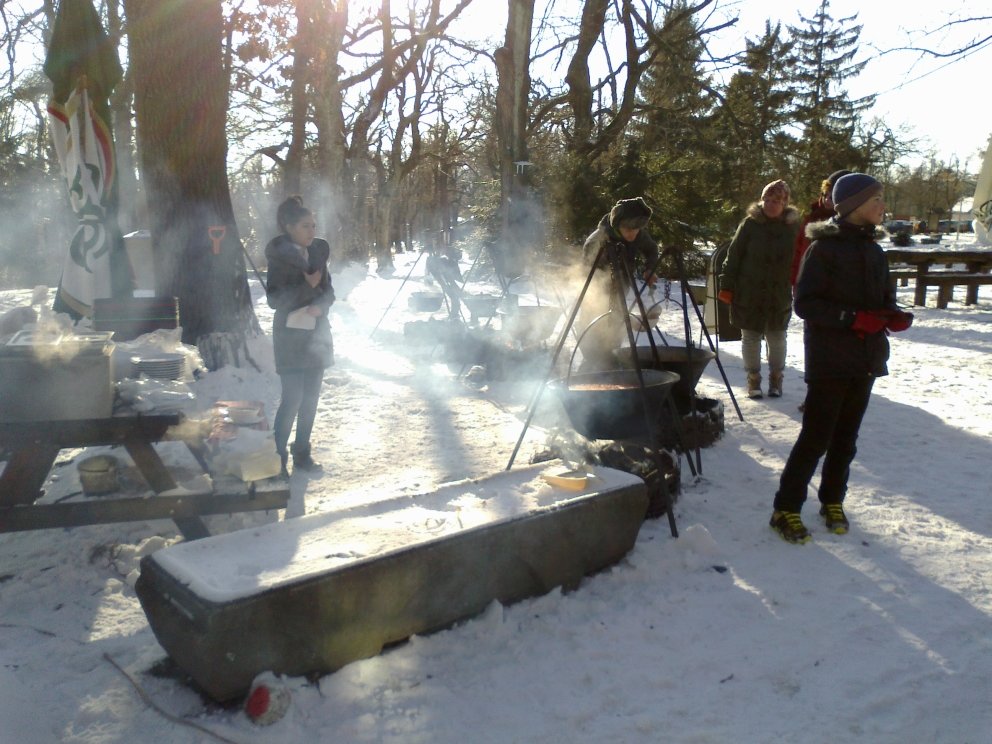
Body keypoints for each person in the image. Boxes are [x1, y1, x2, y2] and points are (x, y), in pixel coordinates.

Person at [769, 173, 914, 543]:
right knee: (816, 436)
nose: (883, 206)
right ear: (853, 206)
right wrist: (851, 319)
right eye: (876, 200)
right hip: (831, 359)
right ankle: (785, 509)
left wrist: (892, 315)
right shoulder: (824, 249)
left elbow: (880, 300)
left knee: (846, 438)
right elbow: (806, 304)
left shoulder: (874, 250)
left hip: (865, 358)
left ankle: (832, 499)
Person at [265, 195, 336, 476]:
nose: (312, 231)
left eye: (314, 225)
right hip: (290, 338)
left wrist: (320, 304)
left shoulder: (318, 254)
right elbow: (275, 301)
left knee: (311, 400)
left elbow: (329, 292)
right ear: (289, 227)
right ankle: (276, 457)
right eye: (306, 226)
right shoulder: (280, 259)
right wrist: (307, 288)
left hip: (317, 336)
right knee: (292, 398)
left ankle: (302, 452)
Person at [717, 180, 800, 399]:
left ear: (784, 204)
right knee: (750, 336)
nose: (771, 205)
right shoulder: (749, 225)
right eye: (767, 200)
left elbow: (803, 260)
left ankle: (776, 378)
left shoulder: (793, 229)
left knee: (777, 337)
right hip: (749, 292)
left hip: (778, 294)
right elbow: (732, 257)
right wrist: (727, 286)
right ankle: (753, 379)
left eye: (776, 201)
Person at [792, 169, 851, 412]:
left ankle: (841, 393)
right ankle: (813, 394)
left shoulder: (850, 227)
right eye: (826, 194)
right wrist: (795, 282)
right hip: (811, 292)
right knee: (814, 345)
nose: (828, 199)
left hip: (840, 297)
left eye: (832, 196)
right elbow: (798, 254)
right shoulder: (810, 219)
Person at [579, 197, 658, 371]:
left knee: (614, 337)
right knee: (593, 338)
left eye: (636, 229)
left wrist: (649, 269)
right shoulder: (597, 241)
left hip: (621, 291)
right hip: (597, 296)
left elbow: (652, 249)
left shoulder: (637, 234)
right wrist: (602, 299)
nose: (633, 234)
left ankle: (612, 368)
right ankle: (592, 372)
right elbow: (589, 276)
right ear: (617, 225)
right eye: (628, 229)